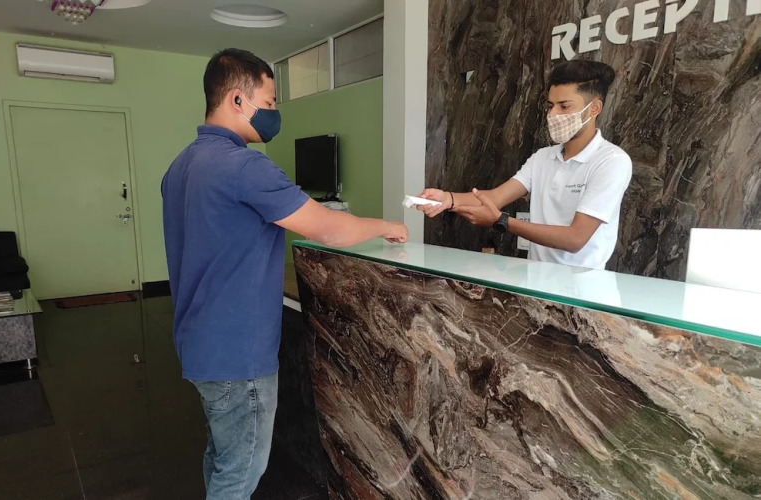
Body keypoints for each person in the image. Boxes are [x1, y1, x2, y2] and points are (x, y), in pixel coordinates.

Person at [161, 48, 408, 499]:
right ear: (238, 100)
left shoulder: (180, 166)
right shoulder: (245, 167)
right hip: (238, 355)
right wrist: (386, 226)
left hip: (198, 344)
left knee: (221, 455)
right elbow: (329, 228)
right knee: (241, 471)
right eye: (270, 102)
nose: (275, 113)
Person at [417, 60, 632, 270]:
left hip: (582, 288)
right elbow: (495, 197)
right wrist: (447, 199)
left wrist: (502, 221)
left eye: (564, 106)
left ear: (594, 108)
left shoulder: (611, 161)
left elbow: (575, 239)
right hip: (535, 281)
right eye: (550, 106)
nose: (553, 115)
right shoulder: (542, 158)